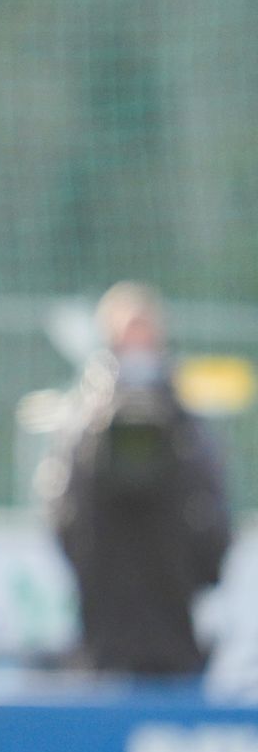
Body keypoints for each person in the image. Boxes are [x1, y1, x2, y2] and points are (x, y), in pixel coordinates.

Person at [40, 282, 232, 677]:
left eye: (144, 331)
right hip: (106, 608)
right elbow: (63, 505)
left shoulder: (185, 419)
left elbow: (211, 499)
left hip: (172, 598)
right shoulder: (84, 417)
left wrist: (202, 562)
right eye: (128, 333)